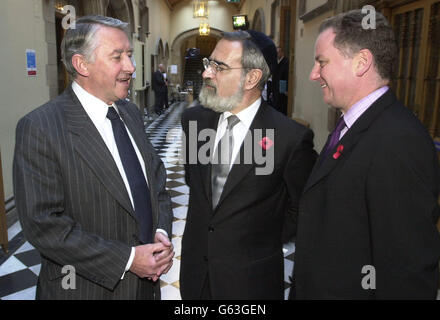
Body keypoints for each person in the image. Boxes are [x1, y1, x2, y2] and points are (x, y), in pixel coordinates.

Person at [13, 15, 174, 300]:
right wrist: (127, 260)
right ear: (81, 64)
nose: (131, 67)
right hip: (86, 289)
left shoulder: (130, 113)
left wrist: (160, 232)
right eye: (117, 57)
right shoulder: (41, 127)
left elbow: (156, 179)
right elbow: (45, 225)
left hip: (145, 288)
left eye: (129, 55)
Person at [292, 9, 440, 299]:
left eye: (321, 62)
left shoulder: (399, 141)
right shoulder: (355, 124)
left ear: (361, 63)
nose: (313, 74)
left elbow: (406, 274)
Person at [180, 30, 317, 300]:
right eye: (209, 63)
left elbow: (304, 208)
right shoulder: (194, 121)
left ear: (252, 77)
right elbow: (195, 187)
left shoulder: (289, 138)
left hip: (251, 282)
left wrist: (259, 236)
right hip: (196, 276)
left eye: (219, 67)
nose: (207, 74)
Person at [271, 46, 289, 115]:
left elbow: (286, 76)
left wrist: (285, 90)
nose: (276, 55)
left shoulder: (286, 62)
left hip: (282, 91)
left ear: (282, 52)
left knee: (281, 108)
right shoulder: (277, 62)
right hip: (276, 89)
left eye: (277, 53)